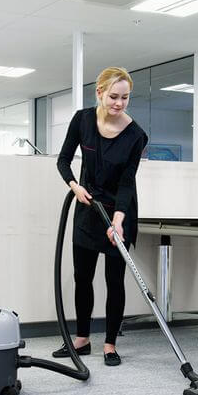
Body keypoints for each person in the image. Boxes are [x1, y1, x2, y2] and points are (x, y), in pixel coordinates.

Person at [54, 66, 148, 367]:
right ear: (100, 93)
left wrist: (119, 219)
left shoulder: (136, 135)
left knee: (114, 280)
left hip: (120, 211)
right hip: (86, 208)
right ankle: (81, 340)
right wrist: (74, 186)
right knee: (82, 277)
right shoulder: (82, 120)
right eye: (113, 97)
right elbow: (64, 160)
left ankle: (109, 344)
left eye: (125, 98)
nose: (119, 103)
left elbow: (127, 181)